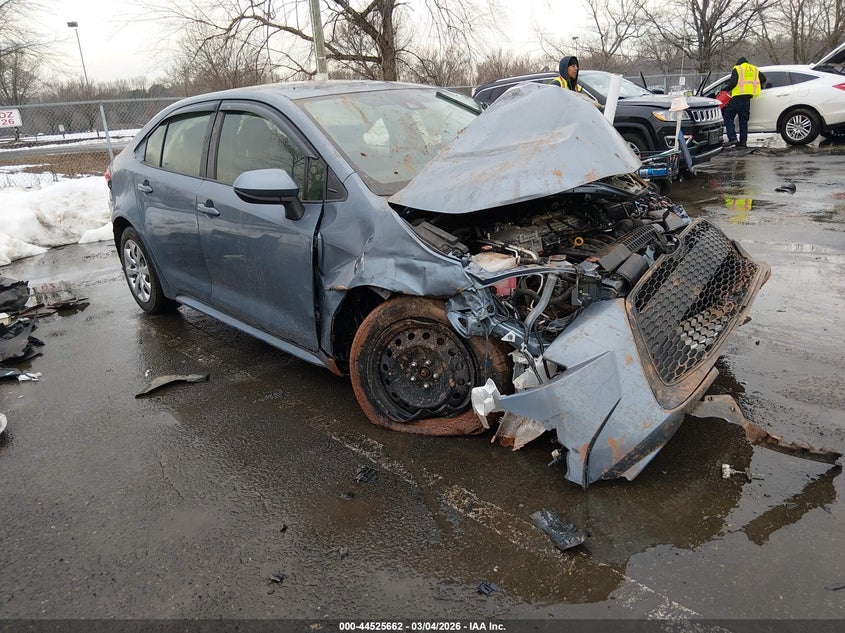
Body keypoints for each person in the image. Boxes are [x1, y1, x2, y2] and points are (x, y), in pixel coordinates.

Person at [721, 57, 766, 148]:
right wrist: (758, 85)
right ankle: (743, 142)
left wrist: (724, 89)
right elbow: (763, 79)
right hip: (747, 99)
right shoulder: (754, 69)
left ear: (738, 63)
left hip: (737, 98)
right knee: (743, 121)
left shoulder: (737, 68)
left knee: (728, 117)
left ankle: (732, 138)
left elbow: (733, 83)